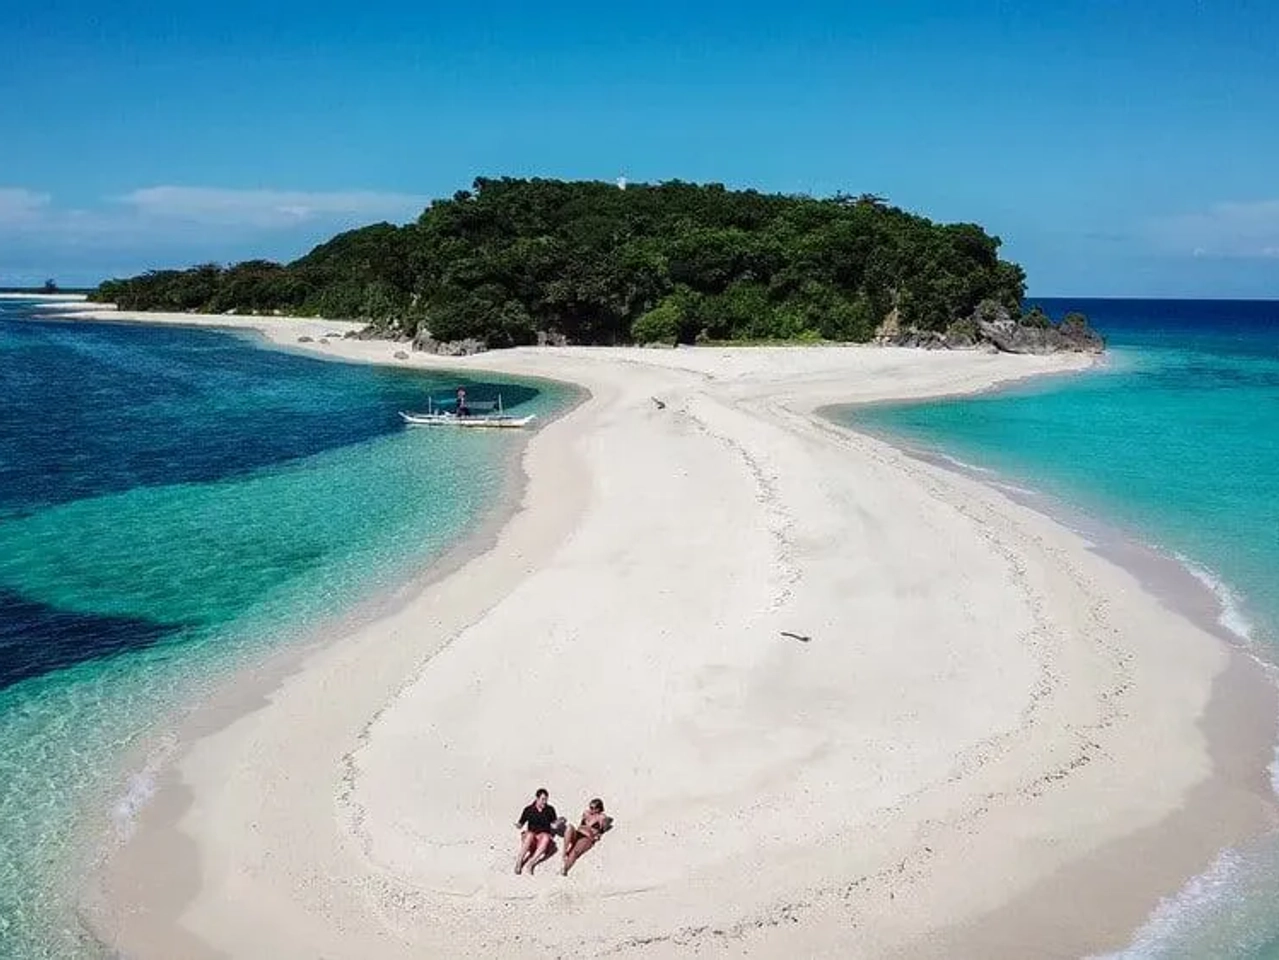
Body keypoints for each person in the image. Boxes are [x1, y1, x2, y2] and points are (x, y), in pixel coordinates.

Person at [561, 798, 611, 876]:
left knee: (575, 852)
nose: (590, 809)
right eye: (590, 807)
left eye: (592, 808)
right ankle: (564, 852)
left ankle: (565, 869)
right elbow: (581, 824)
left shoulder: (602, 817)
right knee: (569, 827)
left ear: (598, 809)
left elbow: (603, 829)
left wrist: (598, 834)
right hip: (578, 833)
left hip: (587, 837)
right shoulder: (586, 813)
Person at [514, 788, 559, 875]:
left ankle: (531, 863)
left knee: (546, 836)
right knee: (530, 834)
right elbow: (521, 824)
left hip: (542, 840)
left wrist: (557, 824)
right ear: (537, 798)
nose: (544, 802)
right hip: (531, 839)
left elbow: (554, 823)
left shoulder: (550, 810)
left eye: (546, 799)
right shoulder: (528, 810)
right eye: (542, 799)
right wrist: (518, 826)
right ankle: (519, 861)